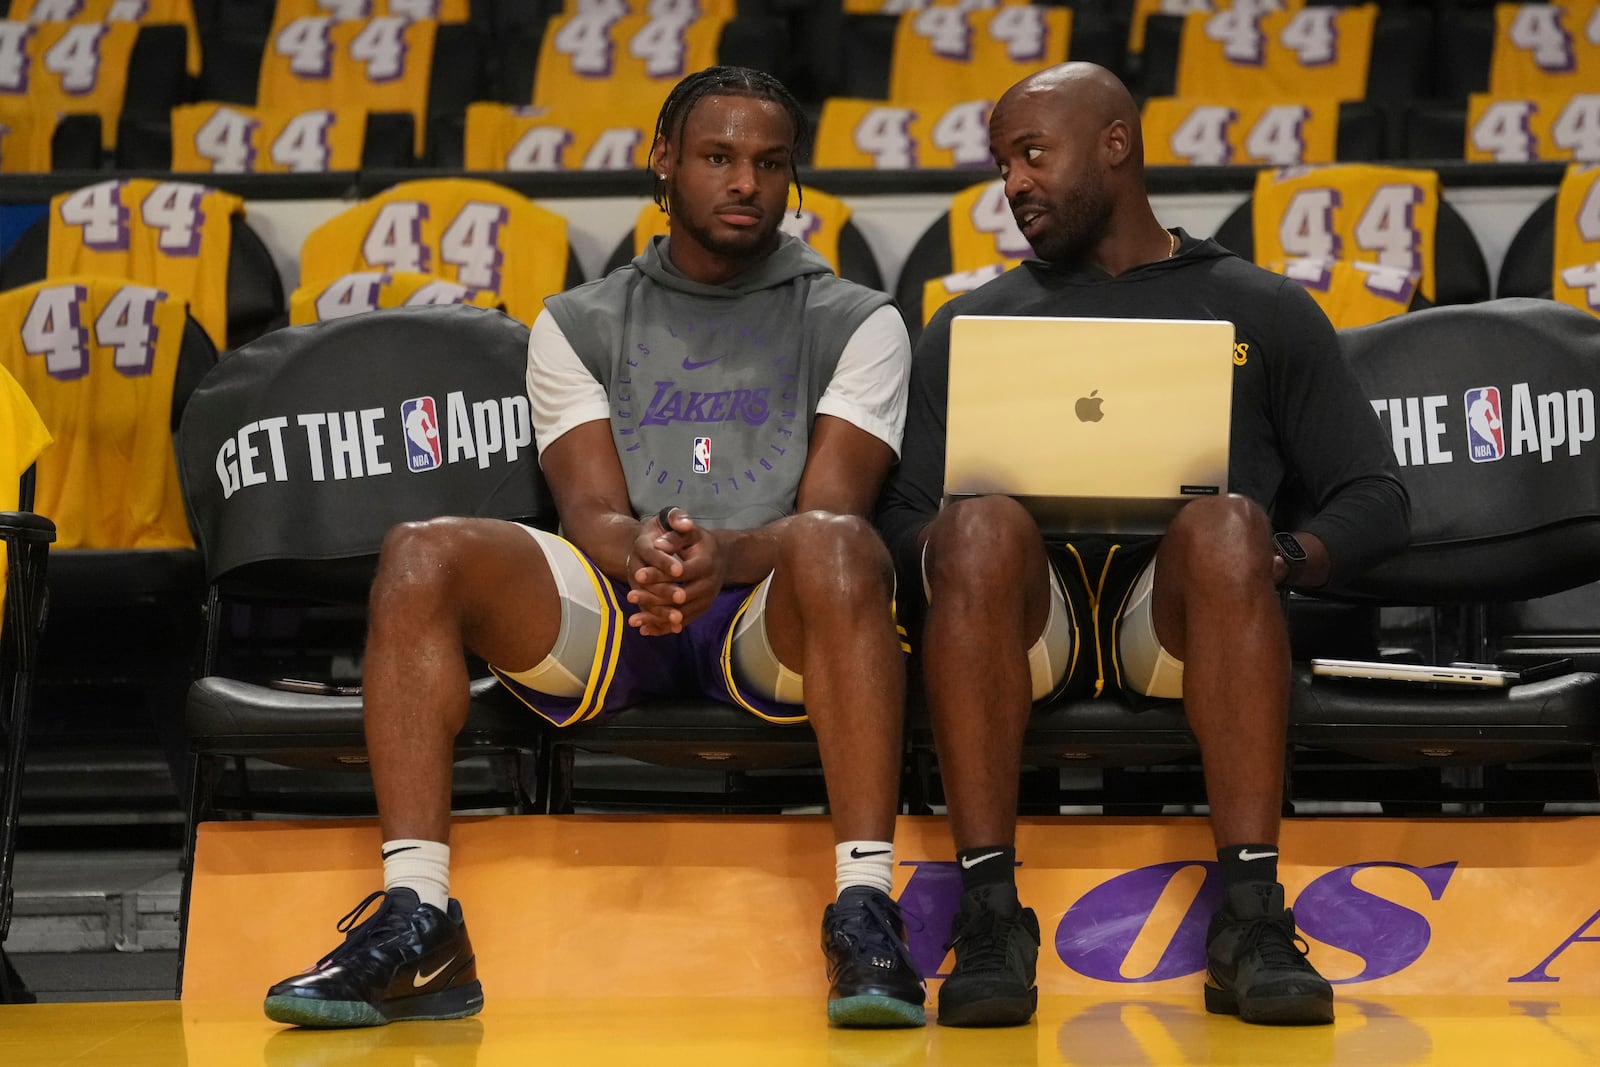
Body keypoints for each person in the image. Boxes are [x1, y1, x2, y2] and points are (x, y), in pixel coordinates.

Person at [264, 67, 924, 1030]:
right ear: (664, 162)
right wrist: (650, 553)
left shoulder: (859, 320)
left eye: (769, 163)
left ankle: (867, 908)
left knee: (839, 544)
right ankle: (419, 918)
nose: (745, 182)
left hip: (773, 612)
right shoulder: (577, 320)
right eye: (718, 157)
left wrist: (718, 560)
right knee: (418, 553)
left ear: (793, 179)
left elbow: (830, 511)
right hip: (620, 592)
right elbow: (590, 511)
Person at [876, 63, 1411, 1028]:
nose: (1014, 184)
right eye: (1003, 165)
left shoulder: (1262, 307)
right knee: (980, 520)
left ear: (1115, 145)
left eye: (1033, 154)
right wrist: (960, 550)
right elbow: (903, 514)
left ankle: (1250, 917)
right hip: (1021, 625)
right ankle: (992, 913)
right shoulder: (971, 324)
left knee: (1227, 522)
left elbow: (1375, 497)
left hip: (1179, 625)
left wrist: (1273, 563)